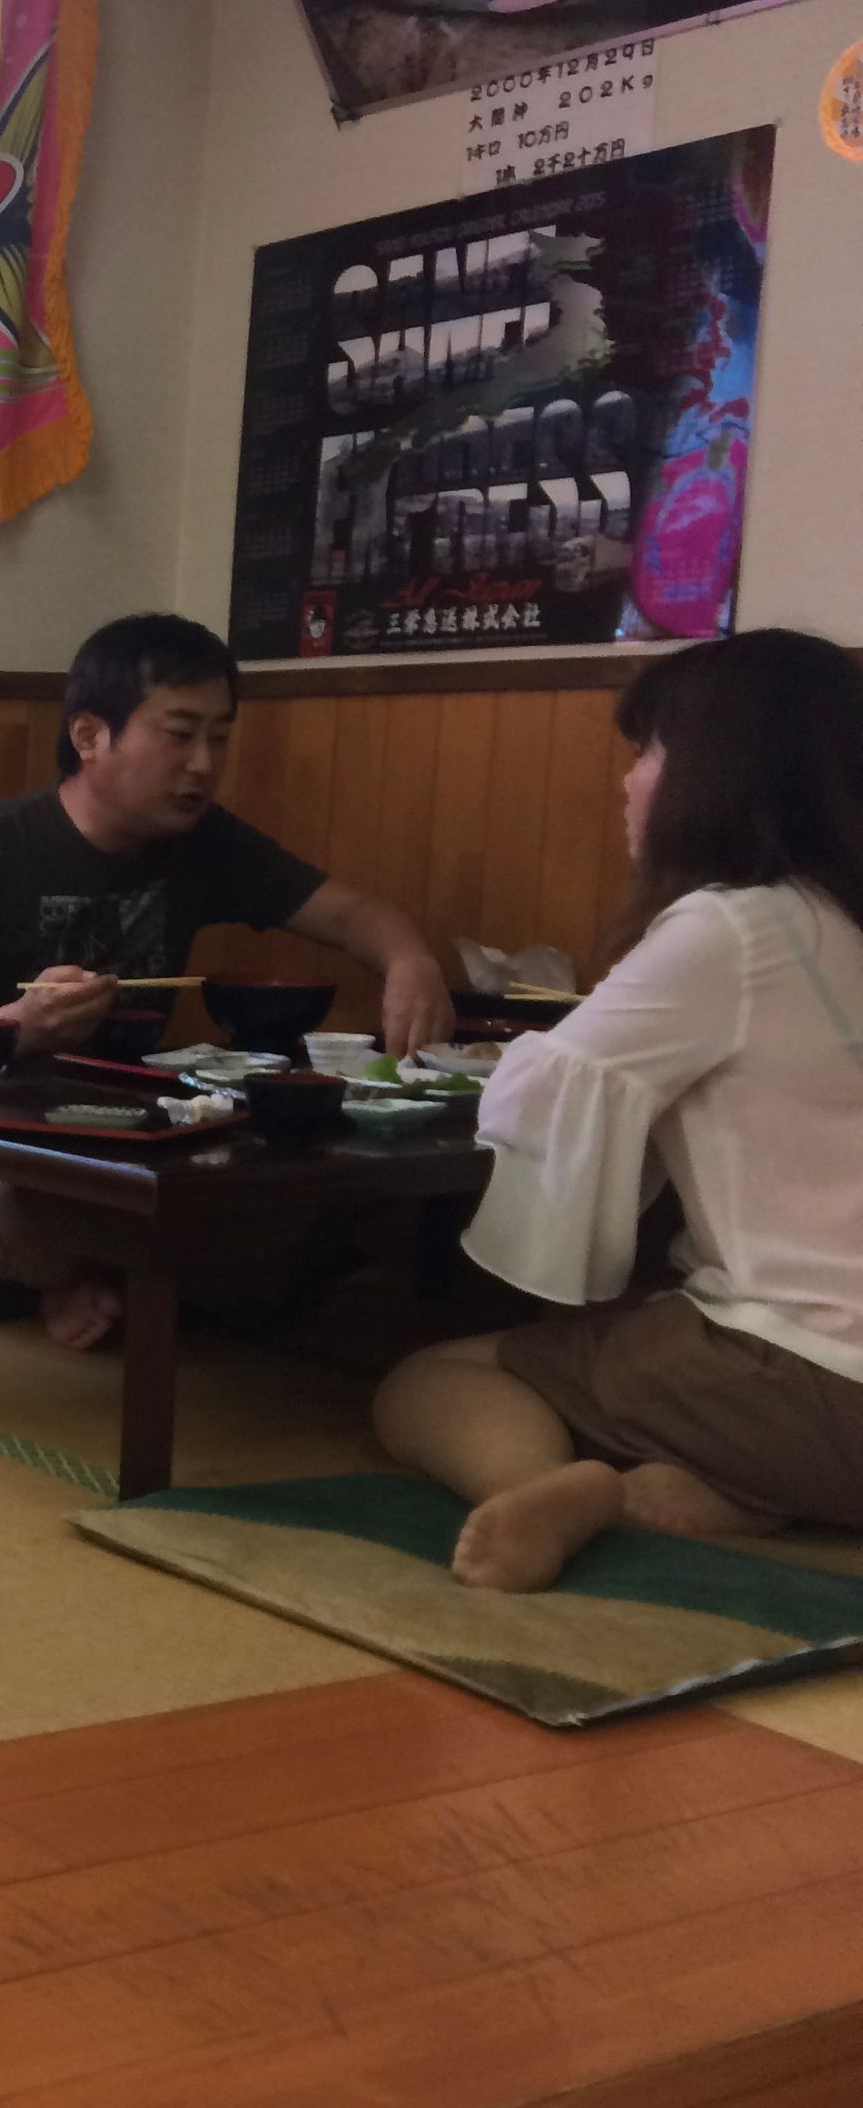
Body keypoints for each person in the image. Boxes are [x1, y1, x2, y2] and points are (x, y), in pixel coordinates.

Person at [374, 629, 863, 1593]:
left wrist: (499, 1058)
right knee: (670, 1328)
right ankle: (730, 1496)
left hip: (814, 1380)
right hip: (826, 1400)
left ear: (718, 772)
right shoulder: (843, 917)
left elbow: (550, 1090)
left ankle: (555, 1489)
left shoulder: (733, 925)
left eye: (648, 754)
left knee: (429, 1381)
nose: (629, 783)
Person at [0, 613, 458, 1347]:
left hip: (136, 1146)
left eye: (220, 737)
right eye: (180, 734)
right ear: (90, 736)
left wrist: (412, 961)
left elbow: (353, 915)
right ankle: (90, 1281)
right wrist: (15, 1031)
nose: (204, 764)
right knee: (32, 1218)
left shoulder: (205, 843)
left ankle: (103, 1285)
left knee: (290, 1193)